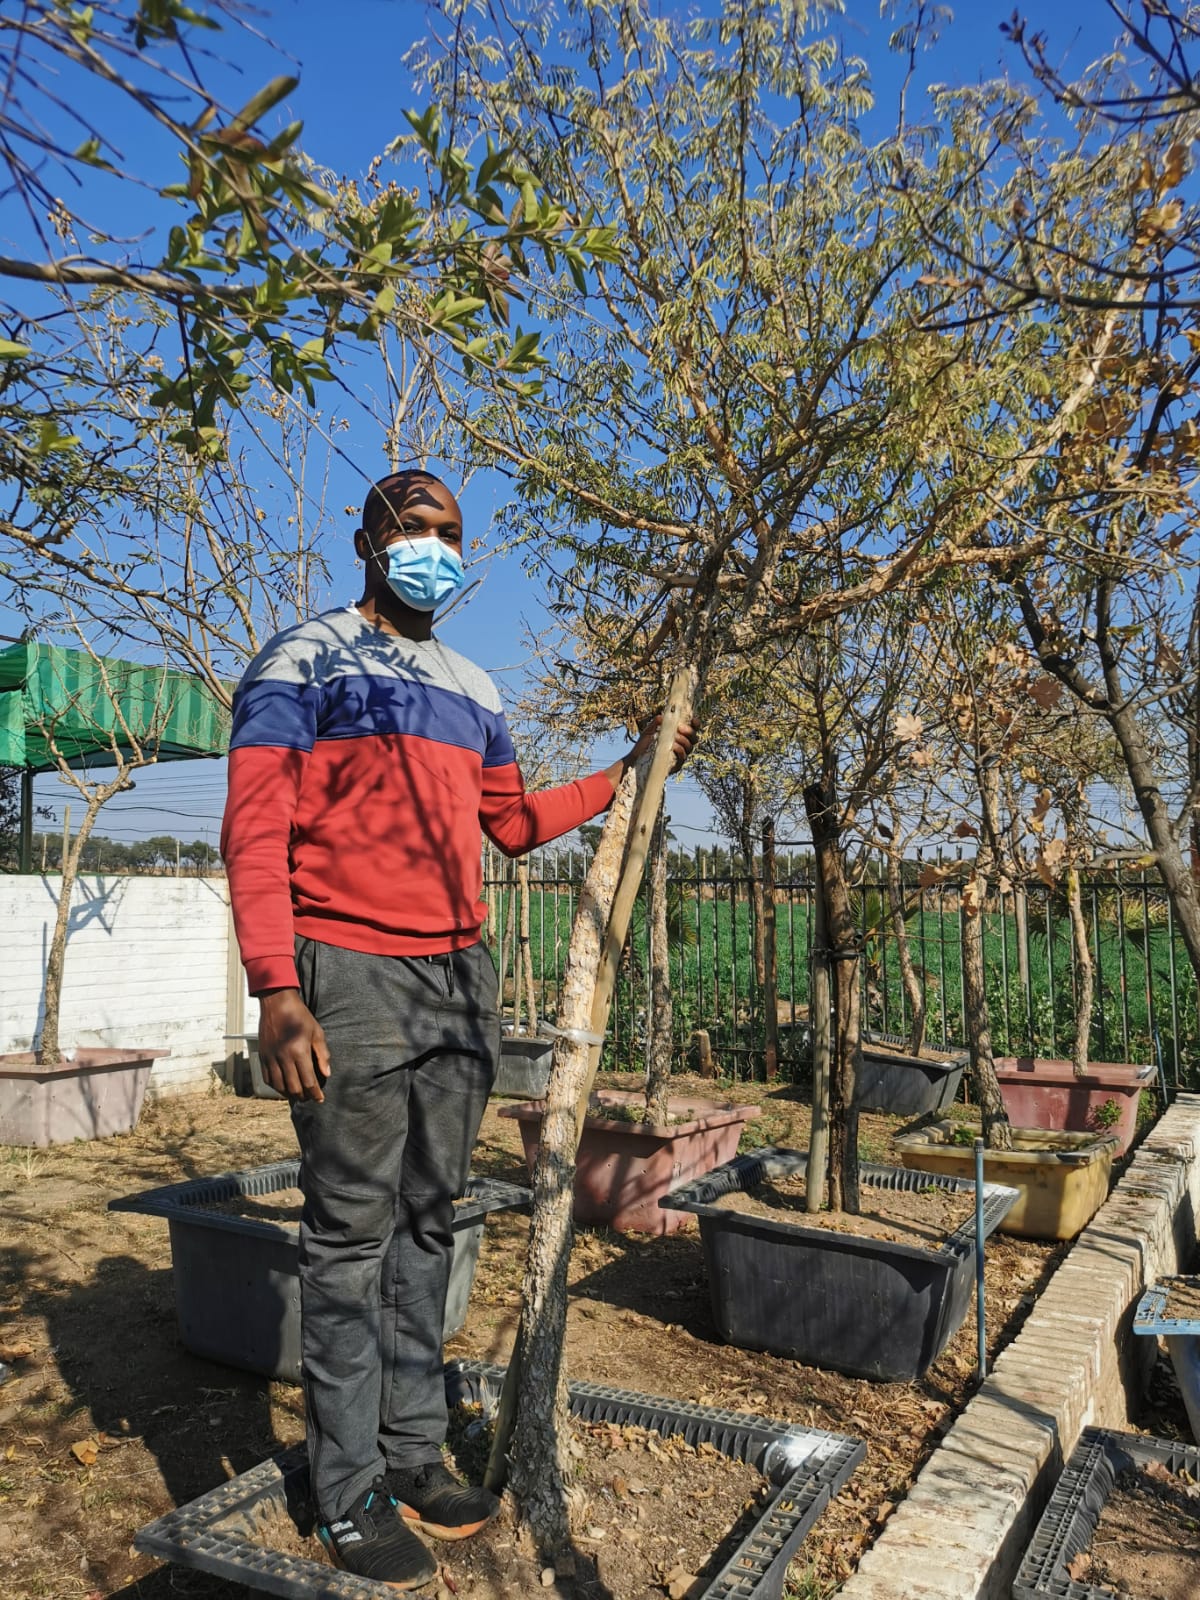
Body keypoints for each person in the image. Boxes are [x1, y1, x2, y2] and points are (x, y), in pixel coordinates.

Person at [220, 469, 697, 1590]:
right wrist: (276, 987)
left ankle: (413, 1451)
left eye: (449, 533)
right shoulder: (304, 659)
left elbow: (514, 823)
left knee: (430, 1225)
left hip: (457, 980)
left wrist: (630, 773)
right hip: (348, 978)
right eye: (413, 528)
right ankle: (344, 1495)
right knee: (348, 1241)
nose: (433, 546)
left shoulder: (475, 686)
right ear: (369, 539)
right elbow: (254, 828)